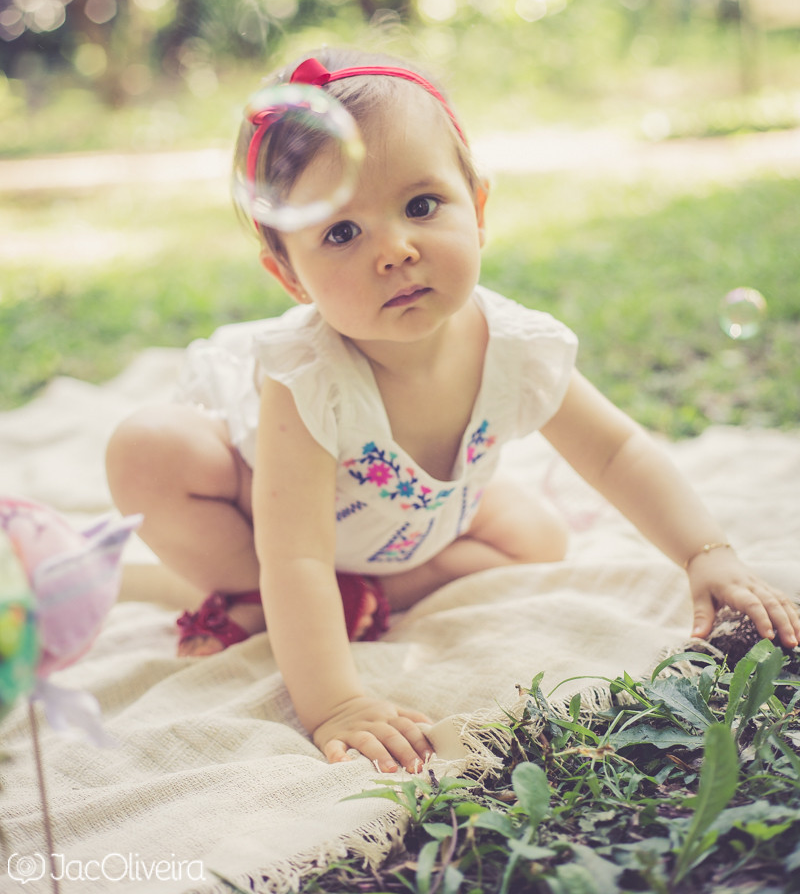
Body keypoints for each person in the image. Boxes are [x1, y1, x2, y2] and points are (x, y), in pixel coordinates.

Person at [106, 47, 800, 776]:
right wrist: (337, 702)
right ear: (288, 275)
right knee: (150, 450)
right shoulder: (308, 376)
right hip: (271, 523)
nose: (396, 250)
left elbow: (616, 452)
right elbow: (298, 555)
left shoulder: (516, 347)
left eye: (420, 205)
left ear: (480, 209)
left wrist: (705, 553)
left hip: (414, 524)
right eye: (342, 233)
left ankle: (372, 594)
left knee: (539, 536)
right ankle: (256, 597)